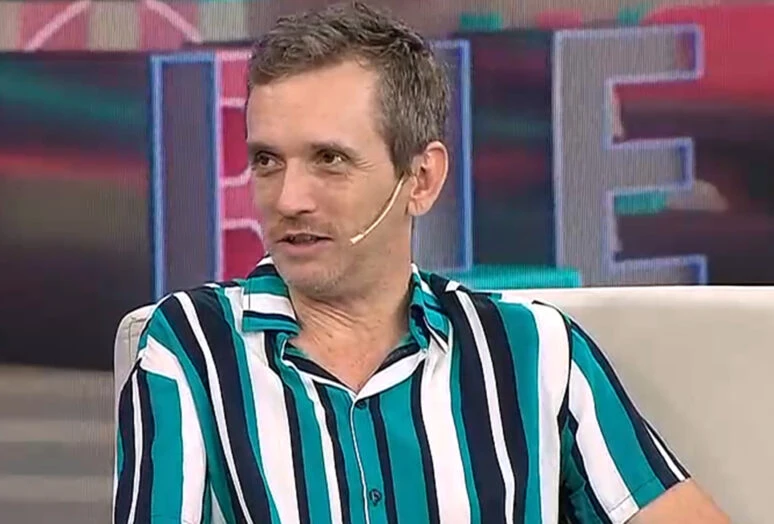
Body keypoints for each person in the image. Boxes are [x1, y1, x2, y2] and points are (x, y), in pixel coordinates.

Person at [114, 3, 729, 522]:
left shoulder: (533, 352)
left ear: (422, 179)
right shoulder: (193, 347)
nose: (289, 199)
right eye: (268, 161)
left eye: (329, 160)